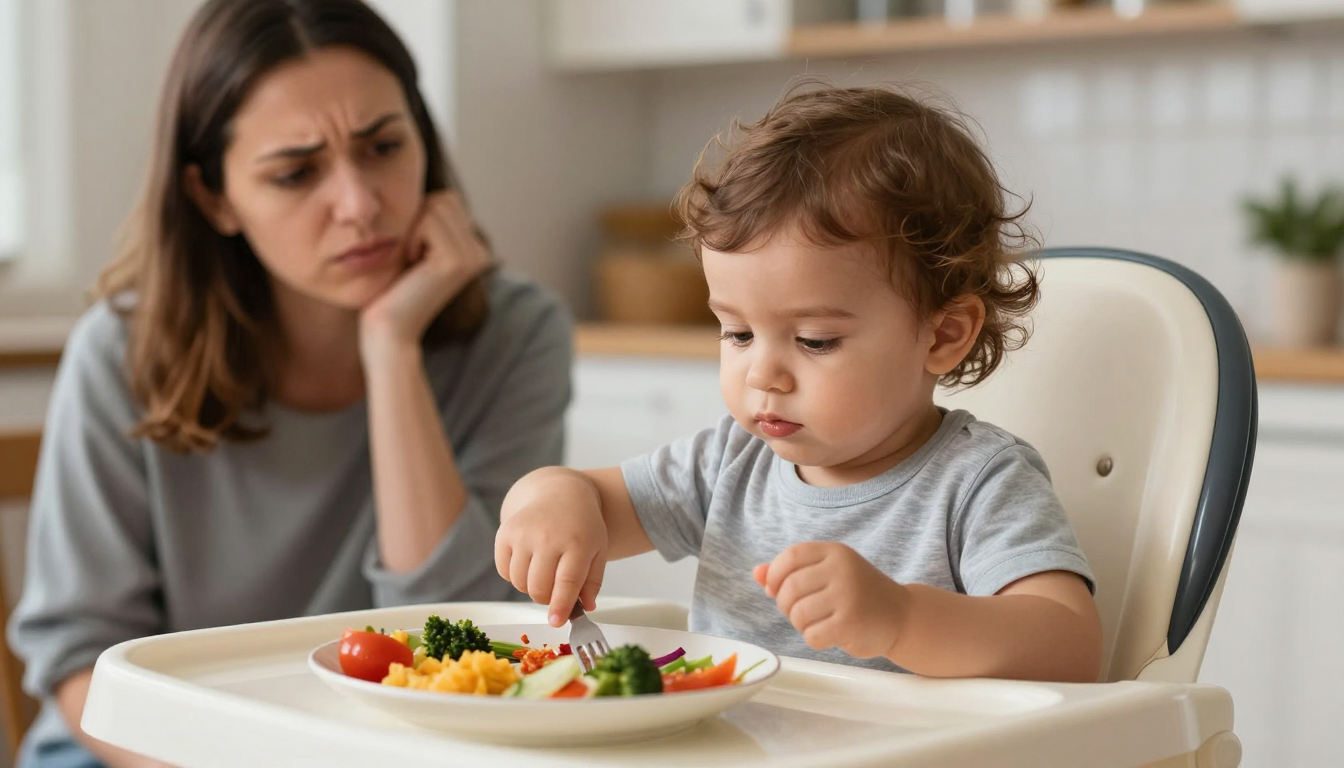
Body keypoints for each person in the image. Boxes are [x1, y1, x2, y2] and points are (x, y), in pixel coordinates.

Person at [7, 1, 573, 765]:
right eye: (296, 173)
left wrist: (392, 350)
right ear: (213, 197)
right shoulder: (119, 354)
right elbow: (83, 664)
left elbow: (458, 638)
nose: (360, 204)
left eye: (384, 146)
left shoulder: (516, 334)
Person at [495, 82, 1102, 683]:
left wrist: (901, 618)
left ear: (942, 335)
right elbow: (592, 498)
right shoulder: (731, 462)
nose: (762, 374)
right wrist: (548, 499)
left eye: (815, 341)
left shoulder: (979, 481)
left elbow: (1070, 646)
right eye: (737, 333)